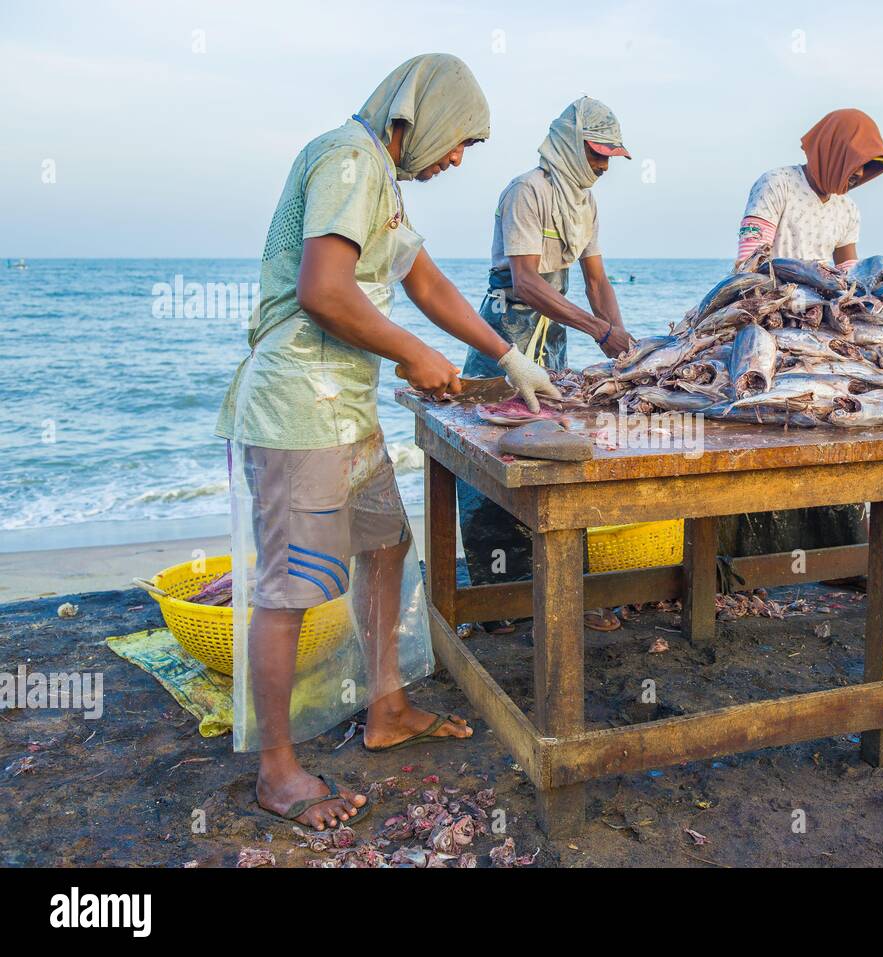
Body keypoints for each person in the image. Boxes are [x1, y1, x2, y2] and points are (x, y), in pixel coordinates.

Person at [214, 54, 556, 831]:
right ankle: (276, 771)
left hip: (346, 406)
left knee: (388, 545)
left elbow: (427, 284)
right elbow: (322, 290)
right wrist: (412, 353)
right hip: (299, 408)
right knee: (288, 589)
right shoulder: (347, 161)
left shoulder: (384, 186)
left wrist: (506, 356)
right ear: (419, 117)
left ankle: (387, 706)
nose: (459, 158)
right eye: (460, 141)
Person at [457, 96, 633, 631]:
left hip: (552, 333)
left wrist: (623, 343)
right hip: (506, 329)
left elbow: (596, 281)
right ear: (570, 144)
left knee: (551, 448)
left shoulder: (585, 202)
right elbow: (527, 282)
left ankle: (554, 589)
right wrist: (597, 328)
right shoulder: (527, 192)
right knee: (492, 454)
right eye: (597, 154)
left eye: (609, 158)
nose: (602, 167)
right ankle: (497, 600)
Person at [722, 109, 883, 560]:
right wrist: (793, 296)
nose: (858, 176)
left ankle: (836, 556)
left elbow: (850, 274)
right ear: (831, 150)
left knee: (828, 423)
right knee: (766, 429)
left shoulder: (847, 209)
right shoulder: (775, 184)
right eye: (856, 164)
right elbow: (749, 261)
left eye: (866, 170)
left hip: (818, 331)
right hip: (766, 322)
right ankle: (751, 562)